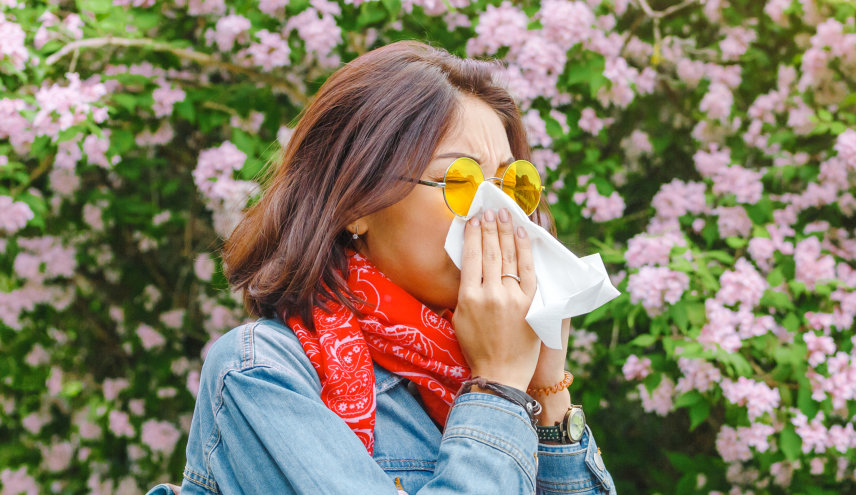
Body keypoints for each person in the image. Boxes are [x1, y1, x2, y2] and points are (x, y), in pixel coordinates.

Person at [146, 40, 616, 495]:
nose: (498, 213)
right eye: (461, 180)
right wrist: (496, 389)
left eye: (513, 184)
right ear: (357, 203)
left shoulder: (501, 373)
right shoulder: (263, 373)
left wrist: (545, 388)